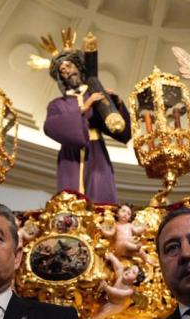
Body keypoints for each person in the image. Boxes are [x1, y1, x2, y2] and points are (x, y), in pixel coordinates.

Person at [43, 51, 131, 204]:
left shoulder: (96, 95)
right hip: (70, 155)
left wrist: (114, 104)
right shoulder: (57, 104)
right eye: (62, 70)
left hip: (96, 151)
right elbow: (51, 126)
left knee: (99, 193)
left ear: (78, 67)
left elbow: (119, 129)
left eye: (69, 66)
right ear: (60, 78)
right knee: (69, 199)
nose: (67, 71)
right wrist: (85, 106)